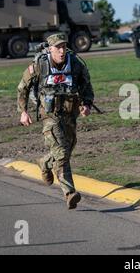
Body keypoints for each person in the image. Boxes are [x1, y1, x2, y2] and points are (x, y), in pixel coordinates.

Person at [17, 33, 94, 209]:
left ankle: (44, 162)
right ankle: (69, 193)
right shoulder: (39, 65)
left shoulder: (75, 64)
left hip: (70, 114)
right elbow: (22, 88)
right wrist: (23, 112)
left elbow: (87, 85)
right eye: (57, 47)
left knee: (69, 147)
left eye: (63, 46)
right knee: (61, 152)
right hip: (49, 115)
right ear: (50, 48)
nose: (61, 50)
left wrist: (87, 104)